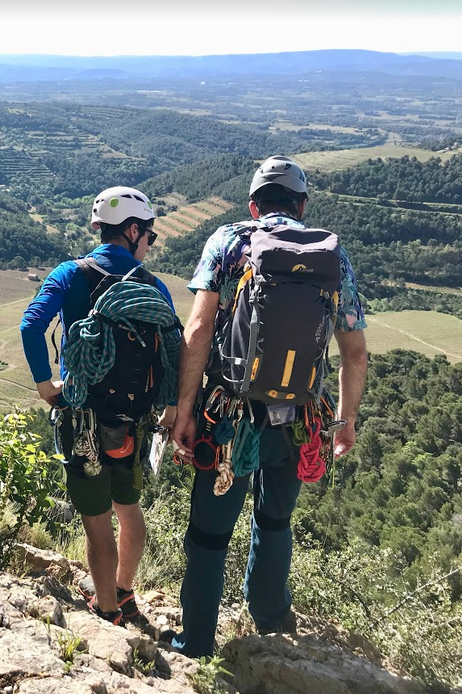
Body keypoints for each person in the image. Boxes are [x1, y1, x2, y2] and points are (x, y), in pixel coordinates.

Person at [165, 156, 368, 656]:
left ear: (254, 205)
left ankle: (196, 643)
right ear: (302, 205)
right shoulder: (332, 255)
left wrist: (184, 410)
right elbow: (355, 351)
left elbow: (198, 329)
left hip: (228, 417)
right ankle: (273, 623)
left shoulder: (230, 241)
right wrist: (345, 422)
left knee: (210, 534)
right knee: (275, 521)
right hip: (300, 418)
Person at [20, 186, 177, 625]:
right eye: (149, 235)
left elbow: (32, 326)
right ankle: (124, 593)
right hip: (132, 422)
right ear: (132, 230)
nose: (150, 243)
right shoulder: (153, 286)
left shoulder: (71, 274)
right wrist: (168, 407)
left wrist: (44, 384)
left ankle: (105, 608)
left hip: (80, 418)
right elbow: (172, 348)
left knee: (96, 521)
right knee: (129, 510)